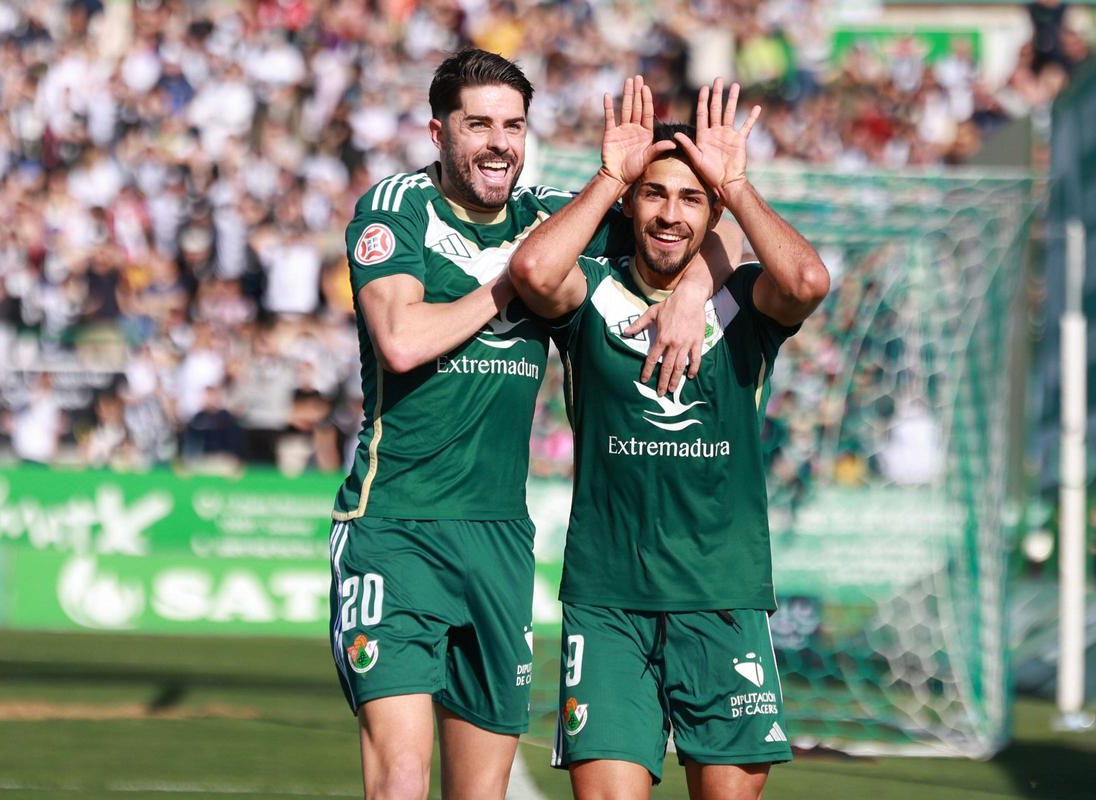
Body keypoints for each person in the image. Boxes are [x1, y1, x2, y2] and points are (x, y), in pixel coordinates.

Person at [329, 50, 737, 800]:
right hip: (395, 524)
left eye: (513, 126)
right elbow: (402, 339)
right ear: (437, 132)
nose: (498, 142)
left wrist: (695, 292)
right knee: (402, 778)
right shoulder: (394, 207)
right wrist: (513, 279)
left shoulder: (550, 216)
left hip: (500, 540)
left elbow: (691, 231)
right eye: (477, 123)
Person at [508, 77, 830, 798]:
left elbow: (808, 279)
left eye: (690, 199)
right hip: (609, 602)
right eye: (654, 194)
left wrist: (737, 186)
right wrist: (608, 174)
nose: (669, 215)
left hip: (722, 599)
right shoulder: (590, 291)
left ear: (712, 213)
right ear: (631, 203)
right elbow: (531, 269)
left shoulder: (743, 301)